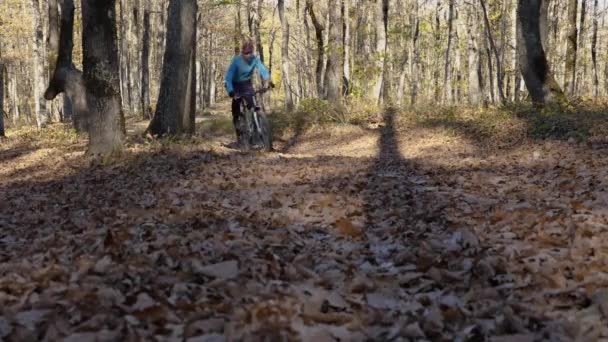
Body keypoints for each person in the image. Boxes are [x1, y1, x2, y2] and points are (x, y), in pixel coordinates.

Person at [224, 38, 272, 147]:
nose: (248, 55)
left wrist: (268, 80)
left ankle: (258, 133)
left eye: (250, 52)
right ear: (242, 52)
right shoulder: (236, 60)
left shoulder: (255, 59)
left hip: (246, 84)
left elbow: (262, 70)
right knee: (236, 109)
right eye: (246, 53)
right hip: (234, 84)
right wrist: (231, 92)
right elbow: (228, 78)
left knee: (253, 105)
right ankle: (239, 132)